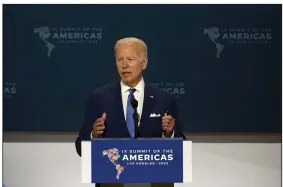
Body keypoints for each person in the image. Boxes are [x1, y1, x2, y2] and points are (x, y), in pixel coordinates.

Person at [75, 37, 185, 157]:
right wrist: (94, 135)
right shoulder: (99, 98)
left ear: (144, 63)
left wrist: (169, 134)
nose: (124, 65)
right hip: (113, 173)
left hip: (150, 174)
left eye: (130, 59)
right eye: (119, 60)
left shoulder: (164, 100)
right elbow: (81, 147)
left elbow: (181, 148)